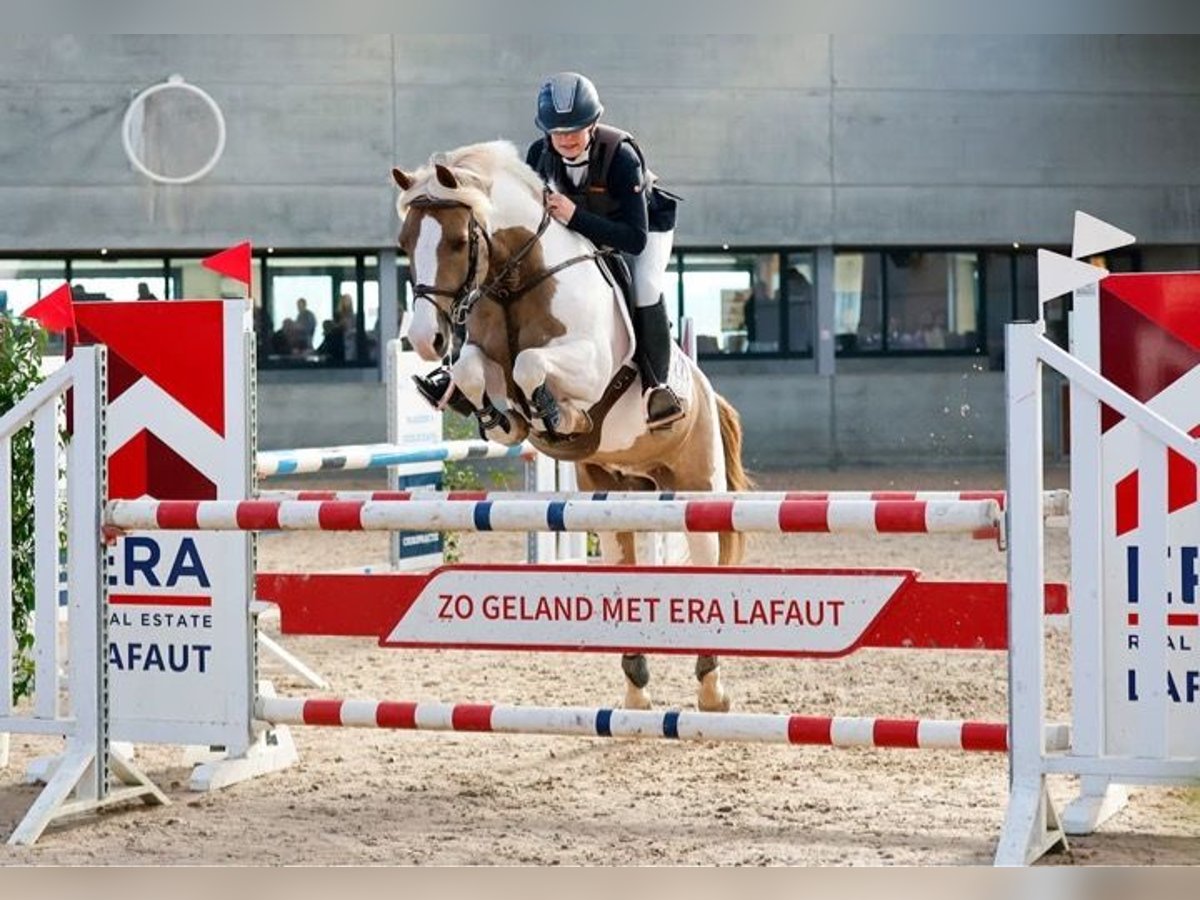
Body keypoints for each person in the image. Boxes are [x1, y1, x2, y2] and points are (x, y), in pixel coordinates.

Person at [413, 71, 684, 428]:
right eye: (558, 132)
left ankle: (657, 387)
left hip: (640, 229)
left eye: (575, 130)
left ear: (593, 124)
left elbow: (634, 239)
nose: (566, 139)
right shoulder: (539, 155)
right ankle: (456, 374)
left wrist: (575, 216)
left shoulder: (622, 155)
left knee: (646, 286)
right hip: (579, 229)